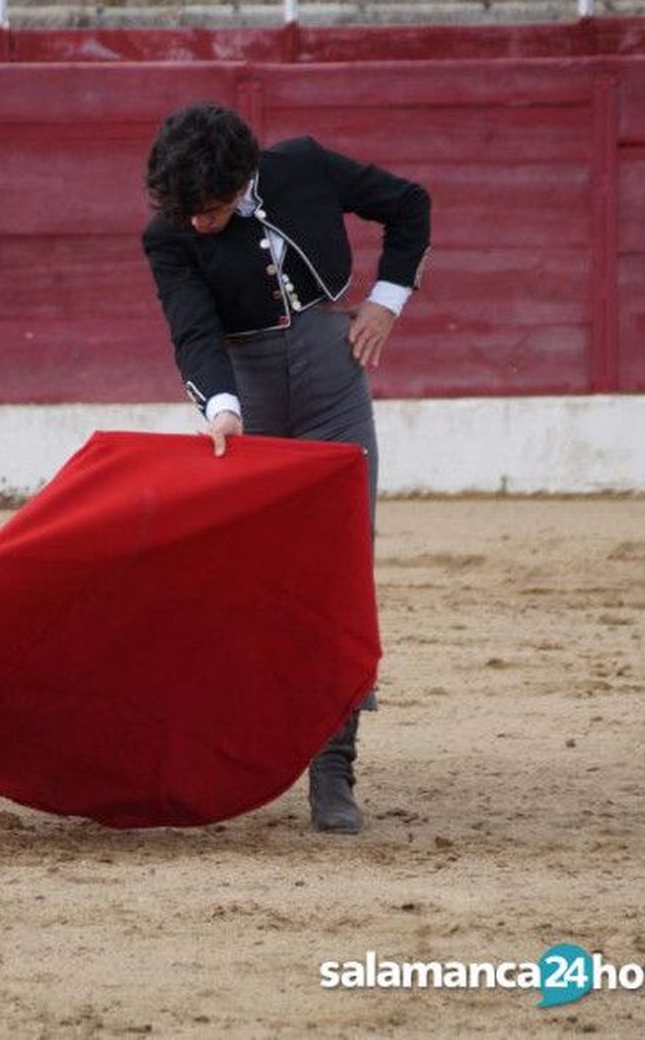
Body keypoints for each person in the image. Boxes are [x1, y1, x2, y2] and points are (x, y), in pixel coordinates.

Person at [140, 103, 431, 834]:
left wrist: (387, 302)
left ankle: (333, 761)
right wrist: (223, 410)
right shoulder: (168, 234)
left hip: (336, 384)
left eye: (208, 211)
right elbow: (194, 331)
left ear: (243, 180)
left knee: (340, 572)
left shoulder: (301, 165)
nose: (197, 225)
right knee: (255, 579)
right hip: (250, 402)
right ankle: (247, 744)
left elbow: (408, 205)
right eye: (186, 214)